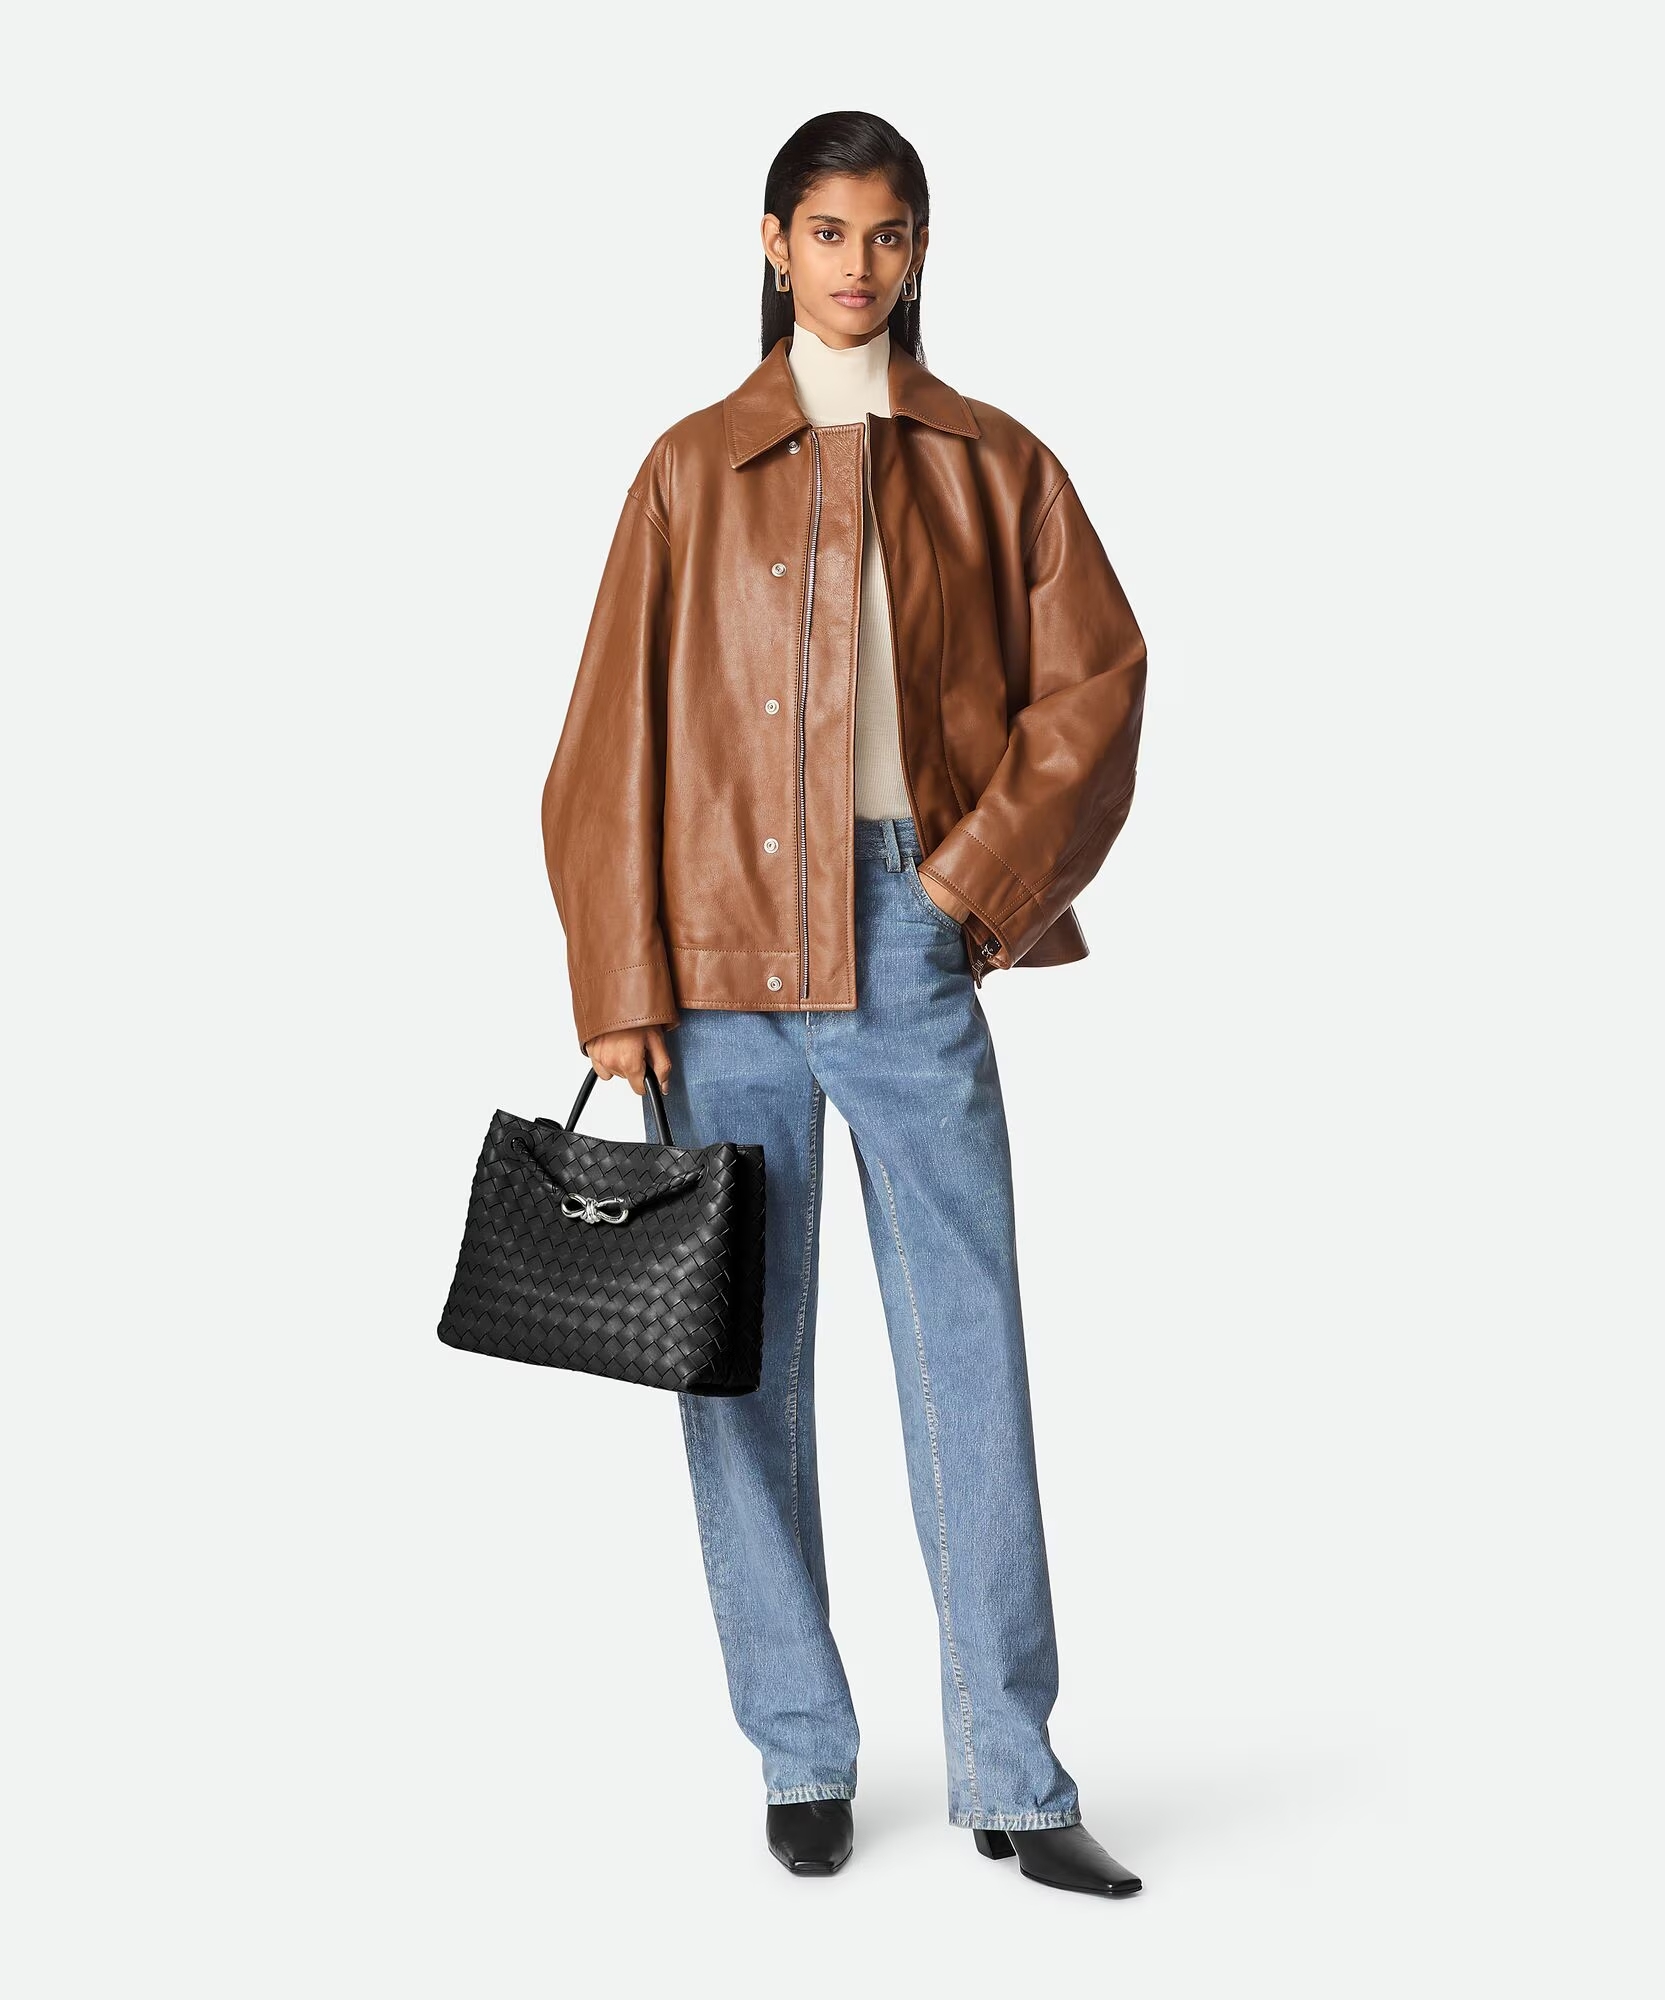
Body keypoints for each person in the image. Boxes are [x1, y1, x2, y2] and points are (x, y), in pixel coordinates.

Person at [541, 110, 1148, 1899]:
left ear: (920, 250)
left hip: (905, 937)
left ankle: (1012, 1776)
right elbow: (604, 739)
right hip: (713, 960)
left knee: (969, 1351)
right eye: (826, 232)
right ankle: (800, 1753)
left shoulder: (991, 462)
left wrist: (966, 889)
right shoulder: (686, 469)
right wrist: (616, 984)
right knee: (736, 1363)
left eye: (887, 235)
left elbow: (1097, 686)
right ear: (770, 244)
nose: (857, 265)